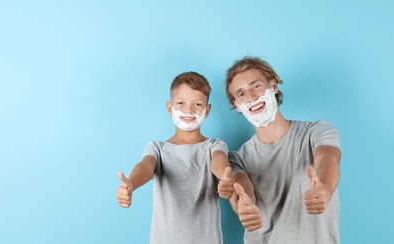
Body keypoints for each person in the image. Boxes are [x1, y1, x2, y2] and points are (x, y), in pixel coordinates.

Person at [225, 56, 342, 243]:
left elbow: (329, 158)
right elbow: (242, 188)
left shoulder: (316, 131)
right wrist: (242, 205)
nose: (251, 97)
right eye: (241, 94)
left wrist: (326, 188)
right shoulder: (237, 159)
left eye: (256, 86)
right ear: (236, 105)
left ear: (273, 86)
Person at [116, 71, 235, 244]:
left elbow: (219, 161)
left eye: (197, 104)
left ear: (207, 111)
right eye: (181, 103)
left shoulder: (214, 145)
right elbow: (145, 166)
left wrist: (225, 177)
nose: (188, 109)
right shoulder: (157, 148)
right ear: (170, 108)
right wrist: (131, 184)